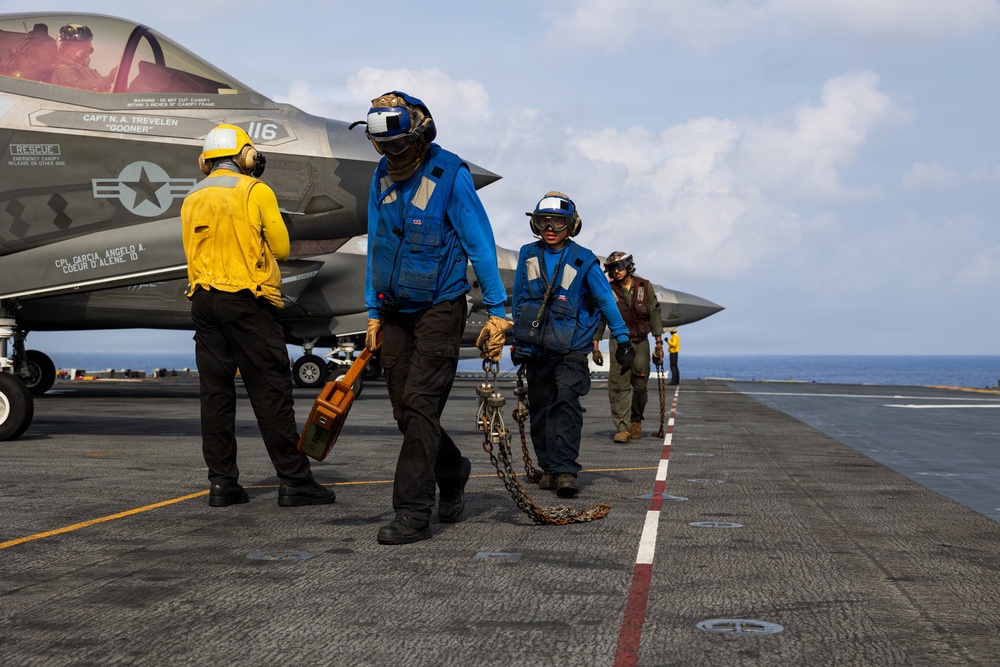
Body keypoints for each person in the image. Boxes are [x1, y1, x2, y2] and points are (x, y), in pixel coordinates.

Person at [360, 91, 511, 545]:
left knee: (422, 406)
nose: (391, 155)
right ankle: (453, 470)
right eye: (383, 147)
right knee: (405, 411)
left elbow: (480, 246)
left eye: (399, 145)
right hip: (393, 310)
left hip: (440, 308)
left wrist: (499, 312)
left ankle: (412, 511)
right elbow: (377, 243)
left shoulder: (450, 175)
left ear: (422, 135)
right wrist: (371, 311)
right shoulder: (381, 176)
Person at [181, 123, 336, 508]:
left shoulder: (191, 197)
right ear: (248, 156)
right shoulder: (255, 190)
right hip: (247, 300)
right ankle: (295, 481)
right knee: (271, 392)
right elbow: (282, 249)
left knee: (215, 396)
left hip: (204, 302)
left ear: (207, 161)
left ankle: (222, 484)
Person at [511, 192, 635, 498]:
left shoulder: (584, 260)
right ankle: (549, 468)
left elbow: (606, 300)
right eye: (543, 221)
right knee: (539, 410)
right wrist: (516, 339)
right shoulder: (527, 255)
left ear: (572, 225)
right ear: (535, 225)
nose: (550, 227)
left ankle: (565, 470)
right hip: (536, 350)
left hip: (571, 351)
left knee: (565, 403)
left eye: (558, 221)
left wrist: (622, 339)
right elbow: (518, 300)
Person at [593, 252, 663, 443]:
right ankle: (622, 428)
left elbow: (655, 313)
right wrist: (596, 346)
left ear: (629, 266)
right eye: (612, 268)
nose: (616, 271)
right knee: (618, 386)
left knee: (640, 386)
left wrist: (658, 344)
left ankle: (636, 419)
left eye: (619, 266)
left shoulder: (644, 287)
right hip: (618, 342)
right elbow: (600, 318)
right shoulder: (607, 290)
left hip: (641, 341)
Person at [50, 24, 117, 92]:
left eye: (85, 45)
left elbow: (101, 87)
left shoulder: (88, 70)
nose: (83, 50)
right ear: (64, 47)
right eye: (78, 46)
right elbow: (78, 88)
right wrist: (108, 79)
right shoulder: (62, 70)